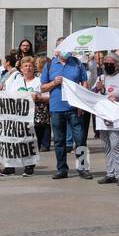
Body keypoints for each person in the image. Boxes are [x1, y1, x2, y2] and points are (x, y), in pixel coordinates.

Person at [41, 46, 90, 180]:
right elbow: (43, 87)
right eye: (63, 48)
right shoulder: (50, 65)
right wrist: (53, 83)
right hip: (56, 108)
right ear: (56, 50)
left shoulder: (77, 63)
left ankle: (82, 168)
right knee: (59, 141)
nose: (66, 51)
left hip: (74, 108)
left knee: (80, 140)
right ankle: (62, 169)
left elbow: (84, 83)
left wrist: (82, 102)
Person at [92, 55, 119, 186]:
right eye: (105, 63)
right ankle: (110, 173)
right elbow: (92, 95)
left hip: (117, 117)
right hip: (102, 117)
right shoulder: (101, 78)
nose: (107, 65)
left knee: (116, 145)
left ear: (116, 64)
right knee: (107, 146)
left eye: (110, 63)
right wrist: (97, 88)